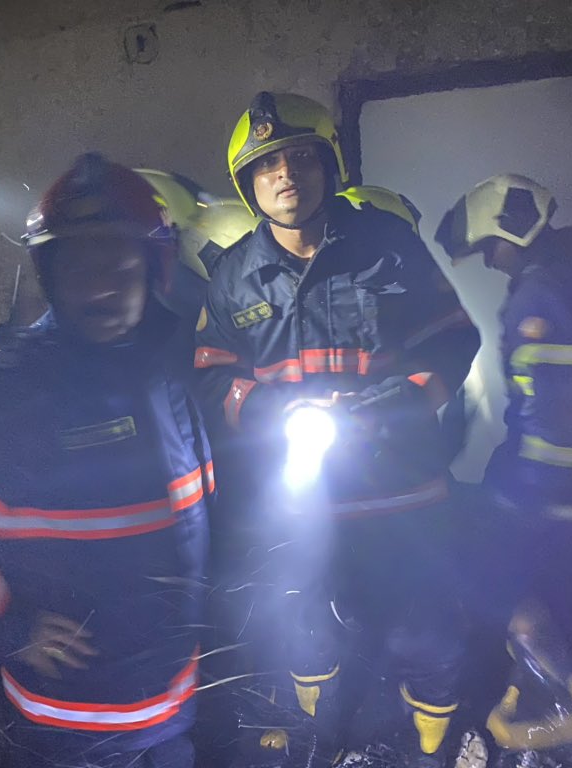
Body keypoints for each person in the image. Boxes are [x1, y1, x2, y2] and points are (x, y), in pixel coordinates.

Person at [0, 153, 212, 768]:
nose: (100, 285)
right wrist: (8, 629)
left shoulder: (162, 376)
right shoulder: (6, 394)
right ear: (49, 274)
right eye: (77, 264)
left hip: (168, 708)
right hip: (68, 727)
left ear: (154, 265)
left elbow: (193, 518)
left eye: (118, 261)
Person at [194, 92, 479, 767]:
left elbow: (452, 339)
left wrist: (390, 407)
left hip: (403, 487)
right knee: (305, 633)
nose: (285, 174)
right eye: (267, 166)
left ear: (329, 165)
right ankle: (319, 739)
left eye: (300, 157)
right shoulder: (232, 277)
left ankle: (430, 743)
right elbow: (209, 375)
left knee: (426, 630)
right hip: (300, 500)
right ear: (248, 184)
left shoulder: (390, 247)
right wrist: (274, 412)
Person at [436, 174, 572, 767]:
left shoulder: (542, 294)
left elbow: (562, 424)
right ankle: (571, 684)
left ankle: (565, 704)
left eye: (489, 248)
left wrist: (514, 494)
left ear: (510, 229)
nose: (491, 262)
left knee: (488, 572)